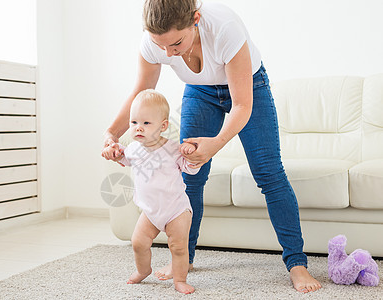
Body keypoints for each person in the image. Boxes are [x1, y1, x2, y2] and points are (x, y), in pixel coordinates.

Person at [103, 0, 322, 293]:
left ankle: (297, 265)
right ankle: (186, 258)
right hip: (199, 91)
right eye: (161, 46)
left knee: (269, 172)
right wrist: (111, 133)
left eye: (176, 43)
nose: (168, 54)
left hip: (249, 87)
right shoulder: (154, 41)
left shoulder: (224, 28)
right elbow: (141, 93)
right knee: (190, 174)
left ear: (195, 19)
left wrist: (216, 144)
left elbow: (242, 104)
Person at [102, 89, 200, 294]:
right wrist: (112, 152)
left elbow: (191, 170)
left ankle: (180, 279)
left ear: (163, 126)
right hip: (150, 211)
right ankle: (143, 270)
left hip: (176, 210)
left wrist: (191, 156)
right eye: (134, 122)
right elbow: (121, 158)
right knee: (138, 242)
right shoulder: (133, 149)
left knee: (178, 247)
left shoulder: (174, 148)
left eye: (146, 123)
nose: (139, 128)